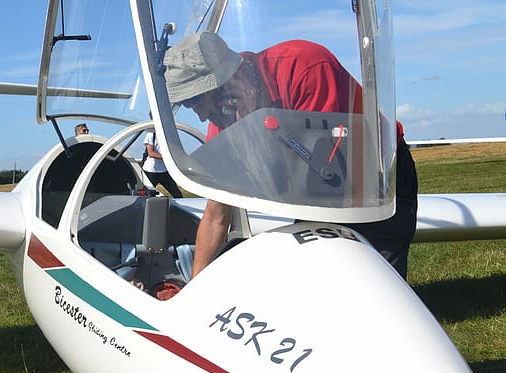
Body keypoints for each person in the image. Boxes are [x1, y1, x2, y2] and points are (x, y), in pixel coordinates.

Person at [163, 32, 417, 279]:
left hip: (375, 170)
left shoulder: (305, 66)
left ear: (226, 81)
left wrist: (254, 120)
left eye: (197, 100)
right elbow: (215, 217)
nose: (202, 115)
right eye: (189, 105)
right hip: (317, 194)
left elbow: (318, 175)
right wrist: (196, 285)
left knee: (377, 279)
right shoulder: (223, 122)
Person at [141, 131, 184, 198]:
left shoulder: (168, 135)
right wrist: (168, 157)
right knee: (146, 195)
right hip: (150, 171)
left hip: (164, 170)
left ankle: (181, 206)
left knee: (177, 194)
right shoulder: (151, 134)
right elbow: (151, 153)